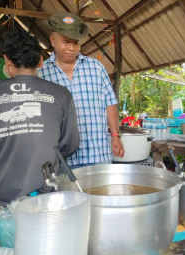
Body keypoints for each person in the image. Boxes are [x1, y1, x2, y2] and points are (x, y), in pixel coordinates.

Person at [0, 29, 80, 205]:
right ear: (40, 61)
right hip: (48, 184)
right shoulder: (61, 94)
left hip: (4, 187)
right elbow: (70, 144)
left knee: (12, 227)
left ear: (7, 60)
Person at [38, 12, 124, 169]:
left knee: (100, 194)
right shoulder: (42, 73)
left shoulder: (96, 68)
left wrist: (115, 136)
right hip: (61, 158)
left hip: (97, 154)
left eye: (76, 43)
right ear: (52, 40)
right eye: (66, 42)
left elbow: (110, 103)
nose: (71, 48)